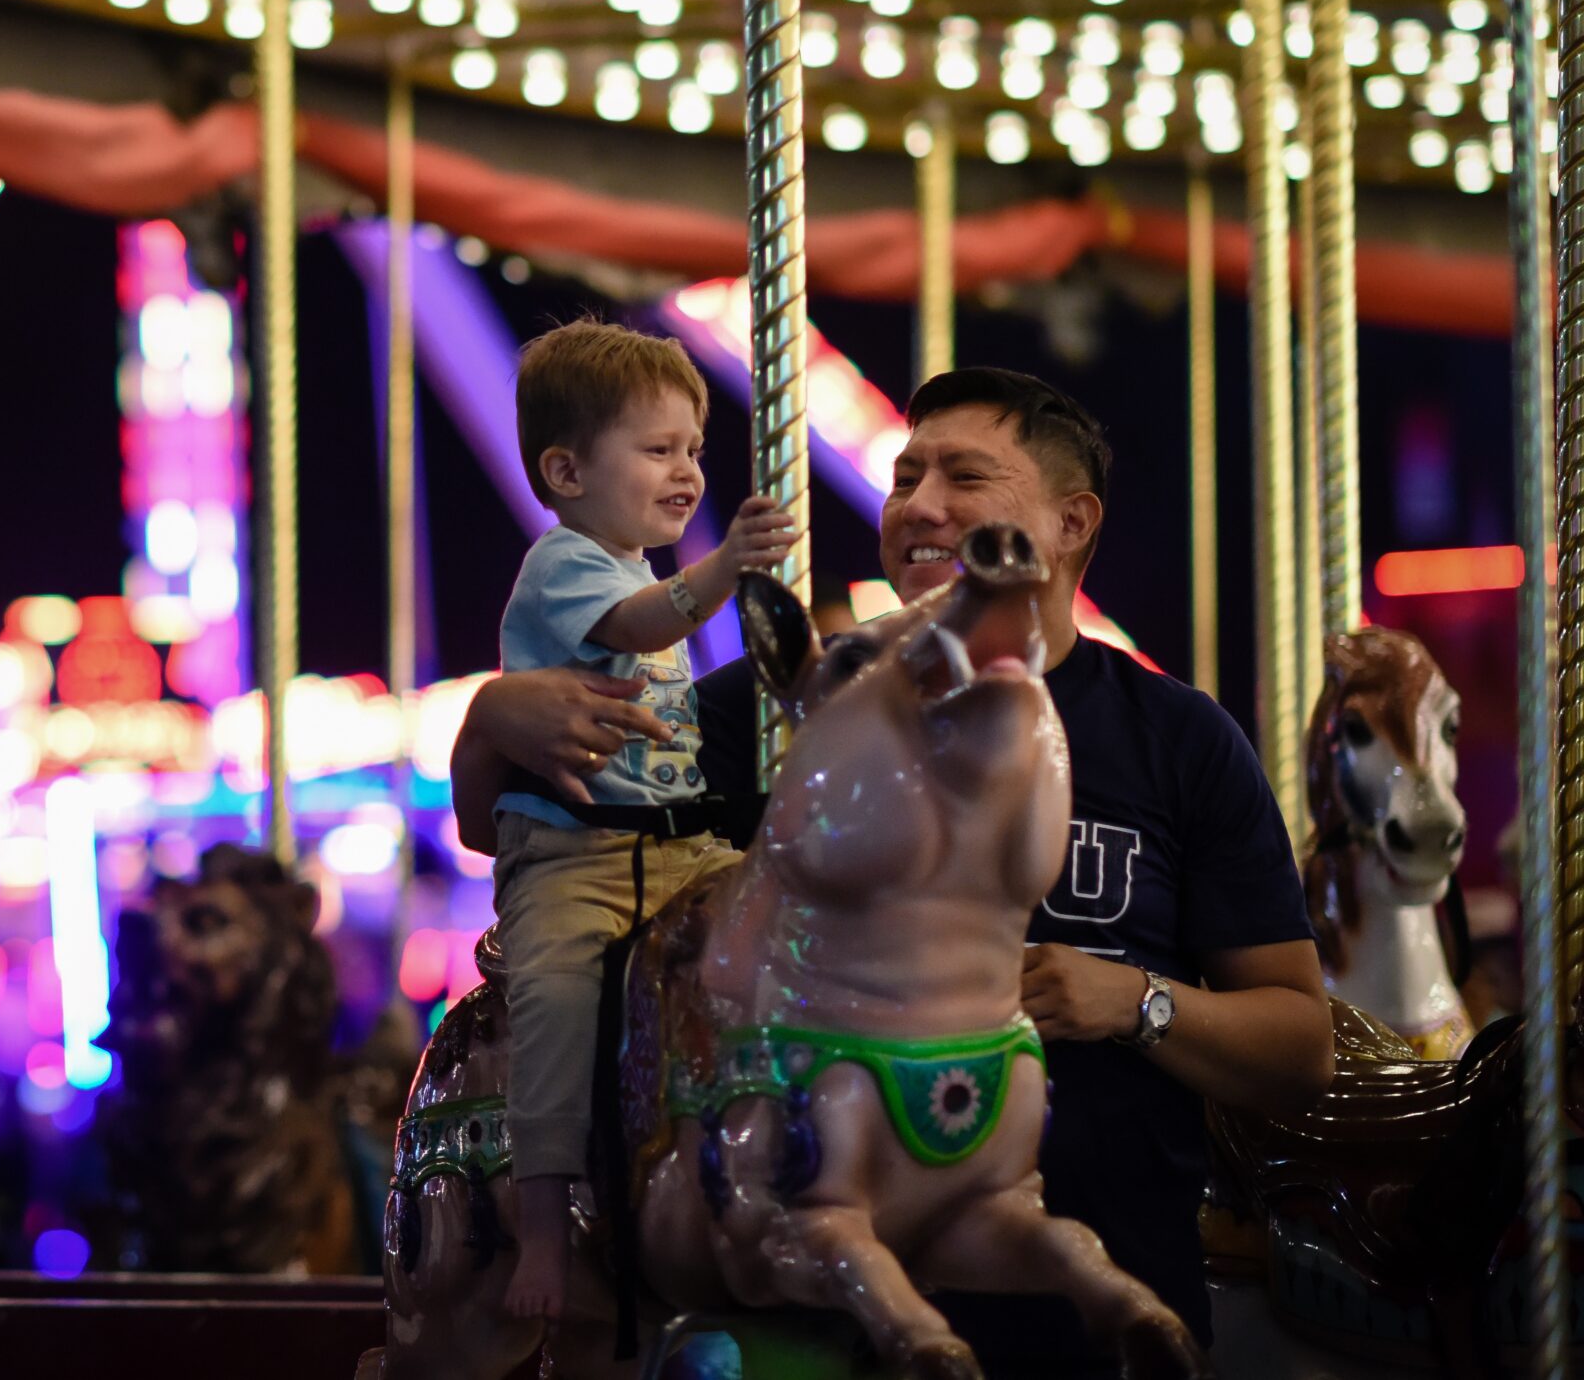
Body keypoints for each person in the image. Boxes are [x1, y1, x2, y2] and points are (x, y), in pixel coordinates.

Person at [454, 365, 1336, 1376]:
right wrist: (488, 724)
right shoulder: (802, 706)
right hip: (826, 1312)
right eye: (904, 477)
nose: (918, 506)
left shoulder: (1176, 739)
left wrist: (1136, 1001)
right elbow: (526, 830)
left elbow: (1296, 1043)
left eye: (962, 477)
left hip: (1096, 1299)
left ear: (1067, 523)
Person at [479, 319, 796, 1324]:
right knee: (560, 1005)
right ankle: (541, 1225)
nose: (687, 471)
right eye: (658, 449)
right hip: (573, 856)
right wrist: (728, 567)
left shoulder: (632, 565)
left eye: (695, 449)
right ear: (566, 470)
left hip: (677, 843)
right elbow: (648, 622)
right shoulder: (567, 564)